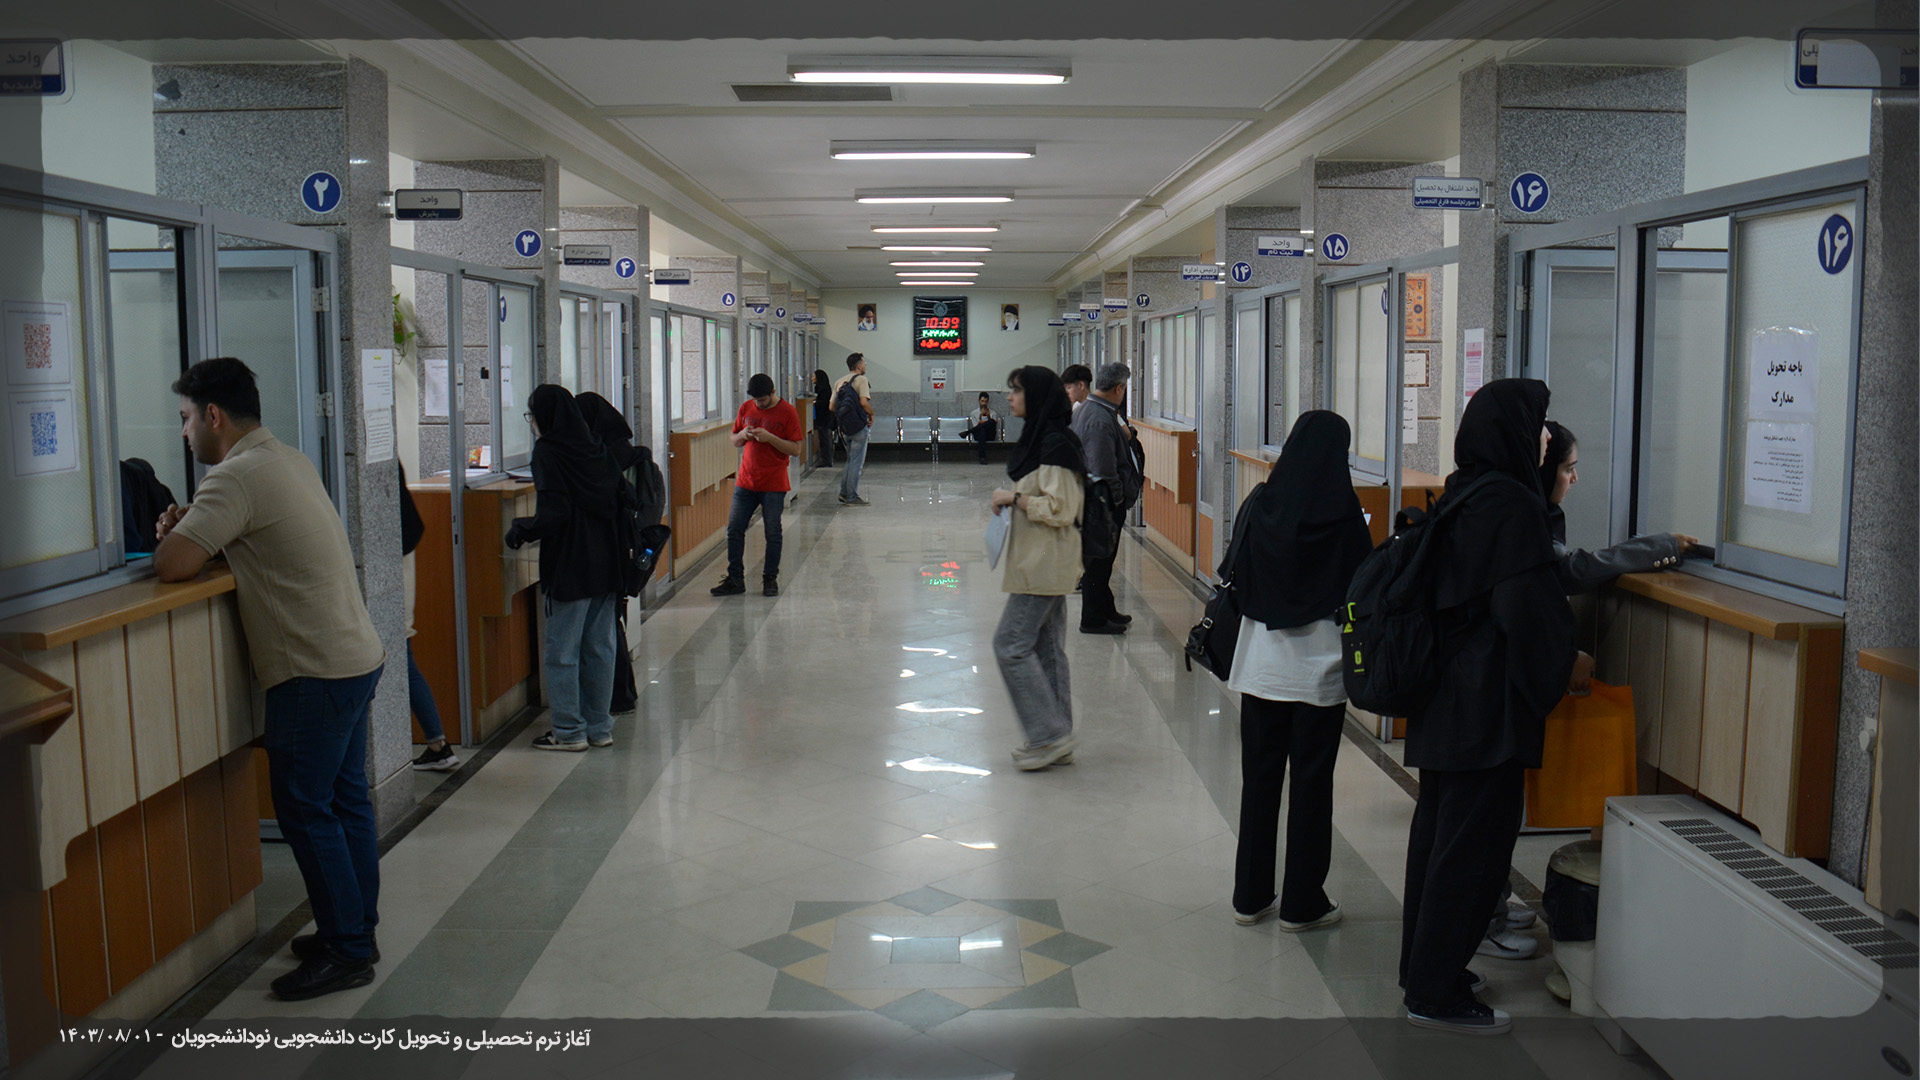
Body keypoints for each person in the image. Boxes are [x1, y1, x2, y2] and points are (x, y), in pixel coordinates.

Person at [153, 357, 386, 1001]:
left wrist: (176, 530)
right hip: (354, 655)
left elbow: (172, 565)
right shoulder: (285, 459)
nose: (184, 433)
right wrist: (195, 526)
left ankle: (347, 950)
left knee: (306, 809)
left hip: (312, 670)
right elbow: (249, 536)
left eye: (186, 419)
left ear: (214, 416)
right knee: (344, 802)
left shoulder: (233, 477)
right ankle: (355, 929)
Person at [1471, 420, 1699, 959]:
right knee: (1487, 814)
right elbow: (1569, 572)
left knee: (1498, 809)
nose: (1574, 479)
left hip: (1501, 690)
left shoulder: (1528, 509)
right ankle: (1482, 919)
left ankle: (1491, 904)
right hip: (1489, 691)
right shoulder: (1514, 517)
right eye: (1567, 467)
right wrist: (1659, 547)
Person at [1397, 378, 1583, 1036]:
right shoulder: (1512, 506)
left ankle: (1424, 969)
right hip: (1485, 711)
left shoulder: (1465, 491)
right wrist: (1563, 663)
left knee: (1438, 842)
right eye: (1538, 425)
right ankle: (1434, 994)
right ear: (1512, 430)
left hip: (1443, 699)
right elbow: (1524, 614)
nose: (1545, 440)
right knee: (1471, 852)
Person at [1228, 411, 1372, 931]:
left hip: (1261, 668)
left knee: (1259, 782)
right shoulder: (1345, 516)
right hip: (1319, 673)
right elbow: (1362, 591)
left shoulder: (1261, 503)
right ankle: (1302, 902)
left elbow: (1236, 572)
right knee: (1312, 787)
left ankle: (1250, 897)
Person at [506, 385, 625, 752]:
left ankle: (569, 731)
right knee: (600, 648)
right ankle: (599, 727)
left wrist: (522, 529)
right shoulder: (596, 448)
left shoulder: (548, 452)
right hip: (607, 562)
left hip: (571, 563)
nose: (532, 423)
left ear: (545, 416)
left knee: (562, 652)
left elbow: (554, 513)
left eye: (532, 415)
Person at [990, 366, 1086, 771]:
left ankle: (1048, 736)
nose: (1009, 397)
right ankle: (1058, 735)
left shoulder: (1055, 445)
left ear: (1037, 396)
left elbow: (1061, 508)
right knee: (1046, 649)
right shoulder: (1043, 439)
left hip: (1044, 564)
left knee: (1009, 644)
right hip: (1042, 561)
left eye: (1016, 390)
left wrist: (1013, 499)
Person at [575, 391, 649, 714]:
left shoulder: (605, 456)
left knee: (607, 629)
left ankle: (619, 696)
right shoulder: (629, 452)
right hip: (626, 550)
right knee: (612, 624)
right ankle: (622, 693)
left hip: (612, 551)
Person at [713, 373, 804, 597]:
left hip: (773, 483)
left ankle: (770, 578)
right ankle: (735, 579)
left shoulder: (788, 412)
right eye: (755, 400)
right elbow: (734, 440)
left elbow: (796, 449)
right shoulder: (746, 408)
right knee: (734, 530)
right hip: (746, 481)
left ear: (773, 393)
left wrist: (770, 438)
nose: (758, 404)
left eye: (762, 400)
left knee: (772, 532)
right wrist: (743, 435)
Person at [398, 461, 459, 771]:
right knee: (405, 663)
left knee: (405, 664)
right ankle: (438, 744)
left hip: (394, 585)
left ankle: (438, 744)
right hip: (401, 578)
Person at [1070, 362, 1139, 634]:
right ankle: (1093, 619)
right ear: (1119, 388)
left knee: (1102, 561)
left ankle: (1106, 609)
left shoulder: (1090, 409)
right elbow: (1103, 469)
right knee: (1098, 563)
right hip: (1101, 502)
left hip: (1093, 498)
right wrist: (1118, 499)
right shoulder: (1099, 418)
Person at [833, 354, 874, 506]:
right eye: (864, 363)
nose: (865, 365)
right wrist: (871, 414)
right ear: (858, 366)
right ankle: (851, 496)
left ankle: (844, 492)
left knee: (850, 460)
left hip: (844, 428)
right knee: (856, 462)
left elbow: (831, 406)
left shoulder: (839, 382)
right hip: (858, 427)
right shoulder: (861, 380)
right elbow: (864, 403)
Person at [960, 391, 999, 464]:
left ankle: (968, 432)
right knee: (982, 431)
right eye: (982, 401)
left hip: (990, 434)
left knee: (991, 421)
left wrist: (989, 417)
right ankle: (982, 457)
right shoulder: (974, 413)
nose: (984, 403)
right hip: (979, 434)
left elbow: (993, 426)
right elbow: (976, 427)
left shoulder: (993, 413)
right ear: (979, 401)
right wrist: (980, 417)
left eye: (986, 401)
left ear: (988, 402)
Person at [812, 369, 836, 467]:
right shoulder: (822, 387)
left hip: (824, 418)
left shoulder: (823, 389)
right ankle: (827, 459)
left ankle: (826, 459)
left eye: (814, 376)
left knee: (825, 439)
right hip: (824, 417)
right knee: (825, 438)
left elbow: (824, 402)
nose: (812, 378)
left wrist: (815, 402)